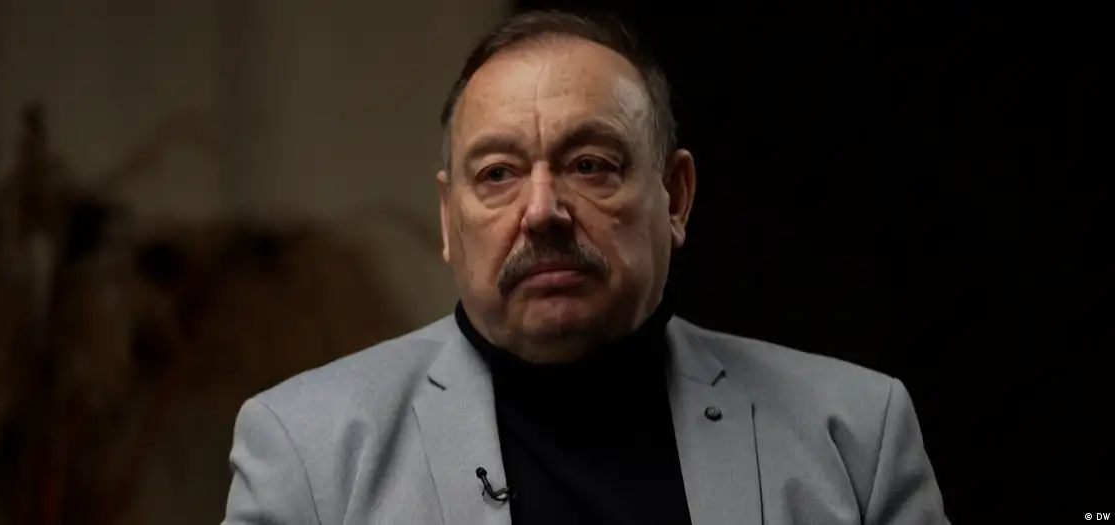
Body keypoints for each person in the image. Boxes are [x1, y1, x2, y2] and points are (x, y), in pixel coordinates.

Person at [221, 9, 950, 525]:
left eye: (590, 164)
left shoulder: (855, 433)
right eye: (498, 173)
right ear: (449, 218)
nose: (542, 210)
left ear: (676, 197)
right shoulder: (306, 446)